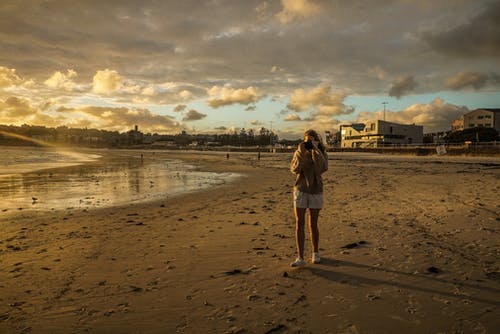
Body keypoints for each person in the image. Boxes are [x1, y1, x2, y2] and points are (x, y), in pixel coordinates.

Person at [290, 129, 328, 267]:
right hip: (300, 190)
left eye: (311, 140)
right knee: (299, 223)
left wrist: (316, 150)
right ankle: (300, 257)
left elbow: (322, 168)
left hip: (316, 190)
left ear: (317, 140)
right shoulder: (299, 152)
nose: (309, 143)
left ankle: (315, 253)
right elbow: (295, 169)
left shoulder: (321, 153)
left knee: (313, 224)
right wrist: (301, 152)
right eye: (307, 141)